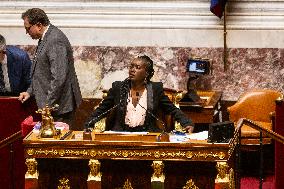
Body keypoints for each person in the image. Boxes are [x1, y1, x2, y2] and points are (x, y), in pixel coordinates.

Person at [84, 55, 194, 133]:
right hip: (121, 133)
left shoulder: (155, 90)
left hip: (147, 134)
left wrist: (186, 122)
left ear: (146, 73)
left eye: (137, 67)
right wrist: (88, 124)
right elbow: (102, 109)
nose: (132, 70)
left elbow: (171, 109)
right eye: (131, 66)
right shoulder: (118, 88)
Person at [18, 8, 82, 129]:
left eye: (28, 28)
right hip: (52, 106)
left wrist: (47, 106)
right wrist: (29, 92)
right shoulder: (45, 38)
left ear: (39, 25)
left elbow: (59, 77)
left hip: (59, 107)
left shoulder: (55, 40)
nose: (27, 32)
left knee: (56, 146)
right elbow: (41, 71)